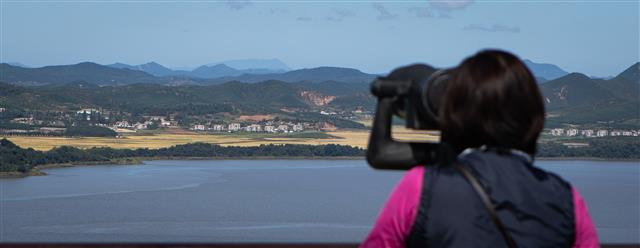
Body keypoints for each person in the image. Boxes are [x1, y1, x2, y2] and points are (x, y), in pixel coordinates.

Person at [361, 50, 599, 248]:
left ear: (456, 112)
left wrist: (387, 97)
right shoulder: (566, 199)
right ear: (533, 114)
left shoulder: (423, 188)